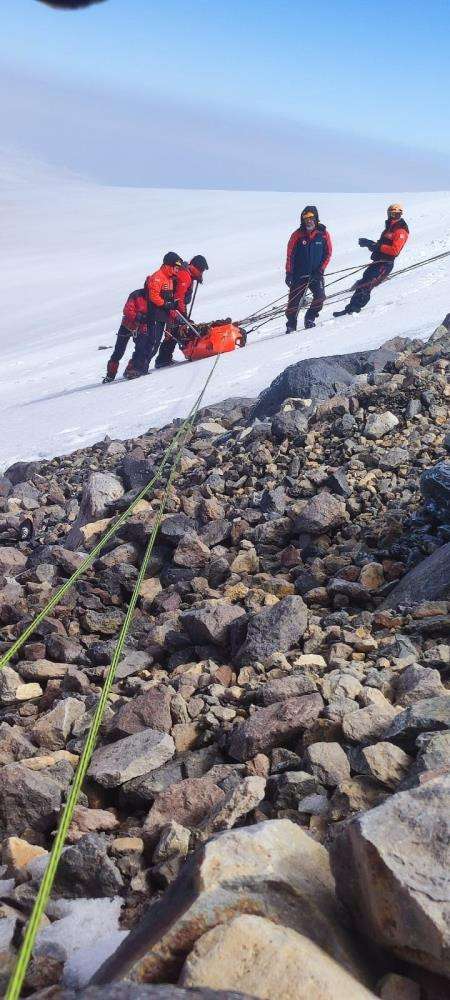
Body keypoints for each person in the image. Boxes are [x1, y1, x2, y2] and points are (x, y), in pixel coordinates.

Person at [333, 204, 409, 317]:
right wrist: (370, 244)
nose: (392, 216)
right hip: (378, 261)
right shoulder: (389, 228)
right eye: (390, 213)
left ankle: (354, 309)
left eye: (395, 214)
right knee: (363, 282)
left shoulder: (400, 231)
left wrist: (376, 246)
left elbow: (395, 250)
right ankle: (350, 308)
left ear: (399, 214)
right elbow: (382, 245)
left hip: (385, 263)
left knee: (366, 285)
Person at [123, 251, 183, 379]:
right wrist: (165, 304)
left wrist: (172, 306)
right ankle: (135, 368)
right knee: (150, 342)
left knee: (155, 343)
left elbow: (167, 297)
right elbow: (153, 296)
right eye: (176, 267)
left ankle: (142, 368)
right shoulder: (158, 277)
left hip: (162, 316)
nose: (177, 270)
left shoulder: (169, 279)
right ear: (169, 265)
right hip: (154, 315)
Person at [154, 255, 209, 368]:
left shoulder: (188, 274)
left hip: (174, 307)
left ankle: (164, 358)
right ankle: (163, 359)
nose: (201, 273)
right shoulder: (185, 275)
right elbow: (179, 297)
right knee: (175, 330)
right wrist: (183, 315)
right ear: (194, 267)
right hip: (174, 308)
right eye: (201, 270)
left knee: (175, 330)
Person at [285, 206, 332, 332]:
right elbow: (290, 254)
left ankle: (310, 318)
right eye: (306, 219)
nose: (309, 221)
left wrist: (320, 270)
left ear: (316, 218)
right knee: (294, 302)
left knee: (320, 297)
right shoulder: (297, 235)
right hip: (298, 274)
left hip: (316, 274)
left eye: (311, 218)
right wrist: (289, 273)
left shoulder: (323, 234)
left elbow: (328, 253)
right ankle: (291, 325)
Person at [103, 287, 148, 383]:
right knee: (119, 351)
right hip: (127, 326)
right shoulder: (136, 295)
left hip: (141, 327)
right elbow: (127, 310)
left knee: (141, 349)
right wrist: (138, 316)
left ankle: (131, 369)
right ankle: (110, 375)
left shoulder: (154, 297)